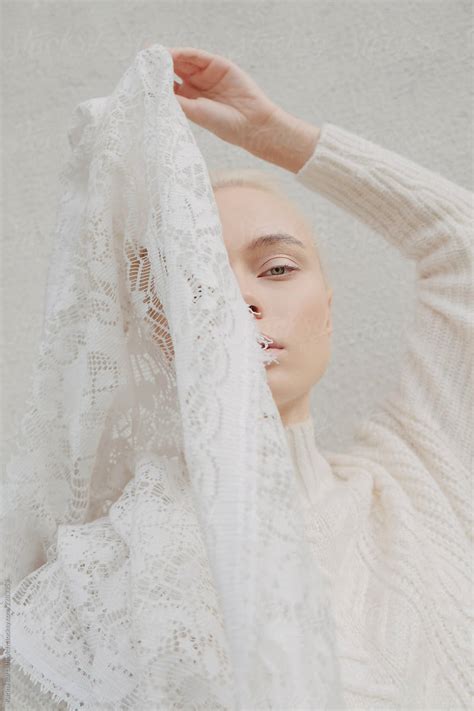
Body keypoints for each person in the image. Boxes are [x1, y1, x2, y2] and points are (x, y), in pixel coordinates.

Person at [166, 46, 473, 709]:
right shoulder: (117, 559)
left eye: (276, 268)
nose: (241, 300)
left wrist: (282, 139)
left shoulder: (416, 475)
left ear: (327, 310)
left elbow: (464, 241)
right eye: (201, 279)